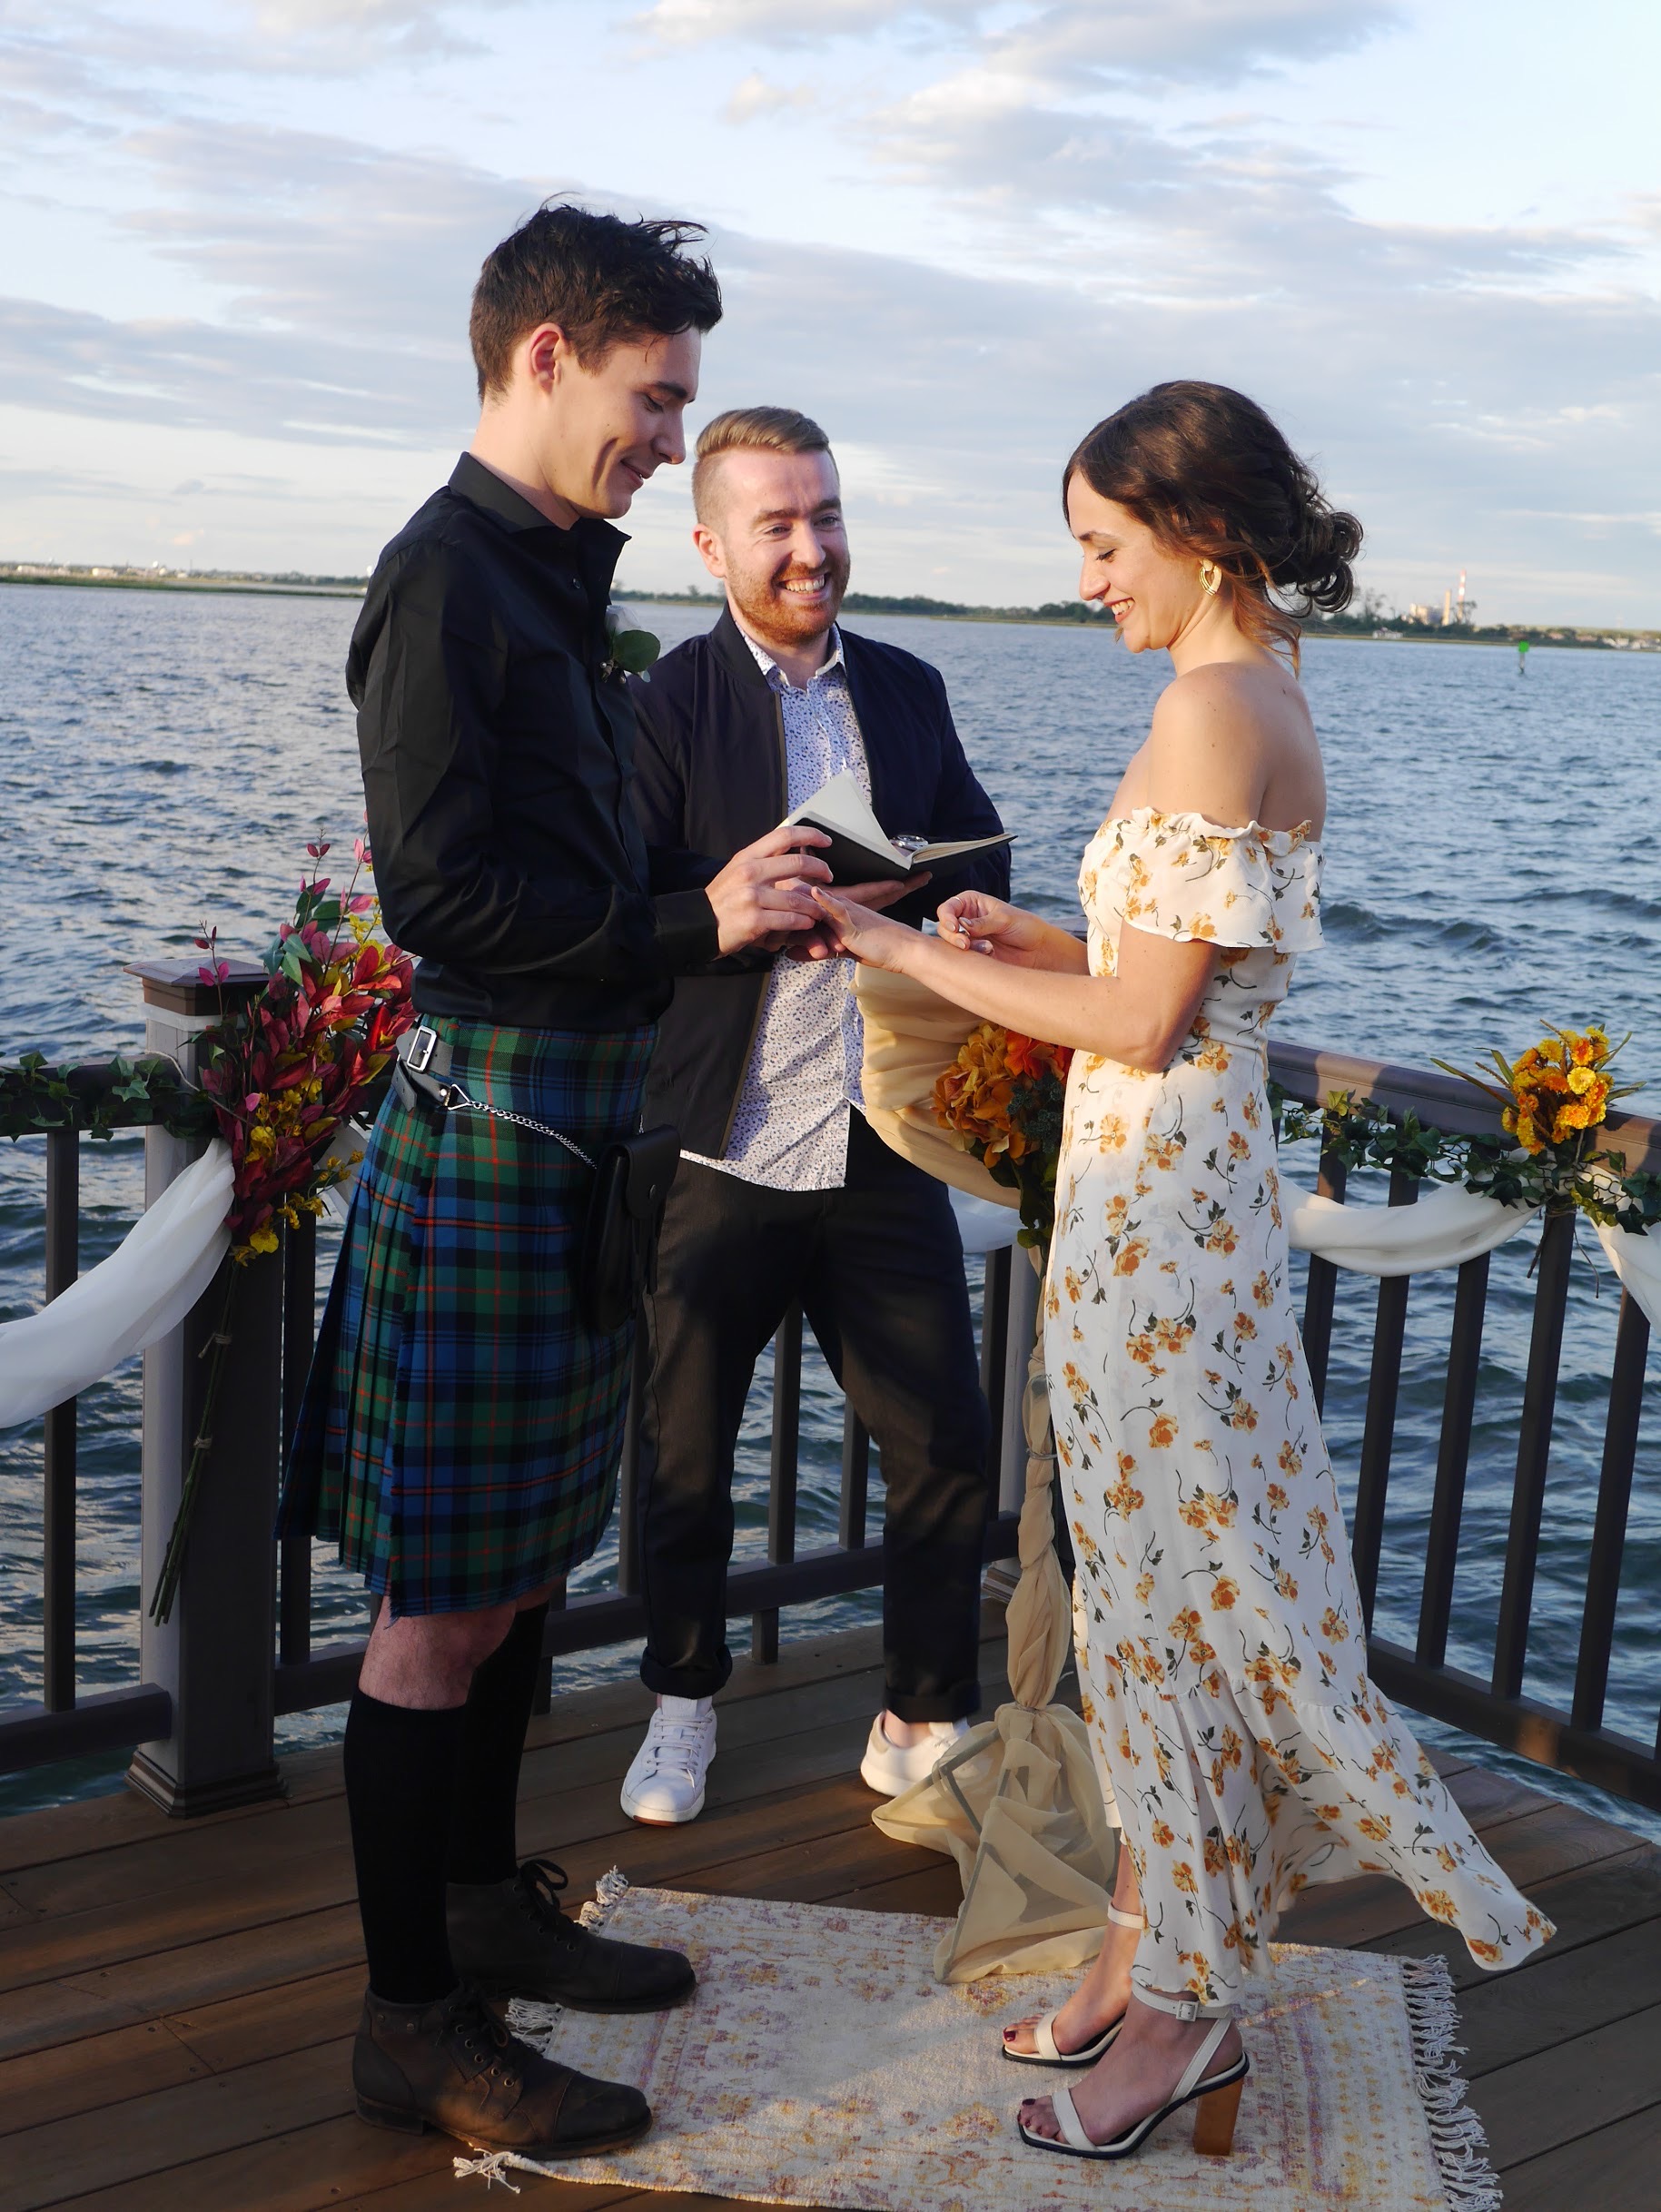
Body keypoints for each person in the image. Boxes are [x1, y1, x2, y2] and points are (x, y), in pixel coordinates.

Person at [808, 380, 1552, 2164]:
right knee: (1154, 1599)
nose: (1086, 581)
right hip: (1177, 1191)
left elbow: (1142, 1021)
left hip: (1166, 1210)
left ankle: (1184, 2013)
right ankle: (1149, 1949)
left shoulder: (1218, 711)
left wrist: (894, 940)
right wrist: (1024, 935)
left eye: (1101, 546)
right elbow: (1180, 975)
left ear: (1197, 531)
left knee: (1169, 1613)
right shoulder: (1250, 685)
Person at [279, 208, 838, 2164]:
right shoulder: (446, 583)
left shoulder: (545, 578)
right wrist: (690, 919)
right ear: (543, 358)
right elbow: (439, 900)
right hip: (499, 1129)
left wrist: (723, 907)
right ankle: (409, 2020)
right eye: (654, 396)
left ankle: (484, 1904)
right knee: (441, 1613)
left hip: (563, 1138)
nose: (672, 439)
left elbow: (569, 871)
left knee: (516, 1581)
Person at [614, 406, 1011, 1825]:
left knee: (949, 1441)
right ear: (712, 542)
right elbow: (636, 907)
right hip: (721, 1134)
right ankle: (678, 1700)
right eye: (777, 524)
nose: (811, 548)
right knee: (681, 1453)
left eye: (826, 515)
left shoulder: (904, 686)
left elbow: (980, 841)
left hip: (878, 1130)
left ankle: (921, 1713)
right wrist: (733, 902)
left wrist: (918, 890)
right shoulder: (660, 702)